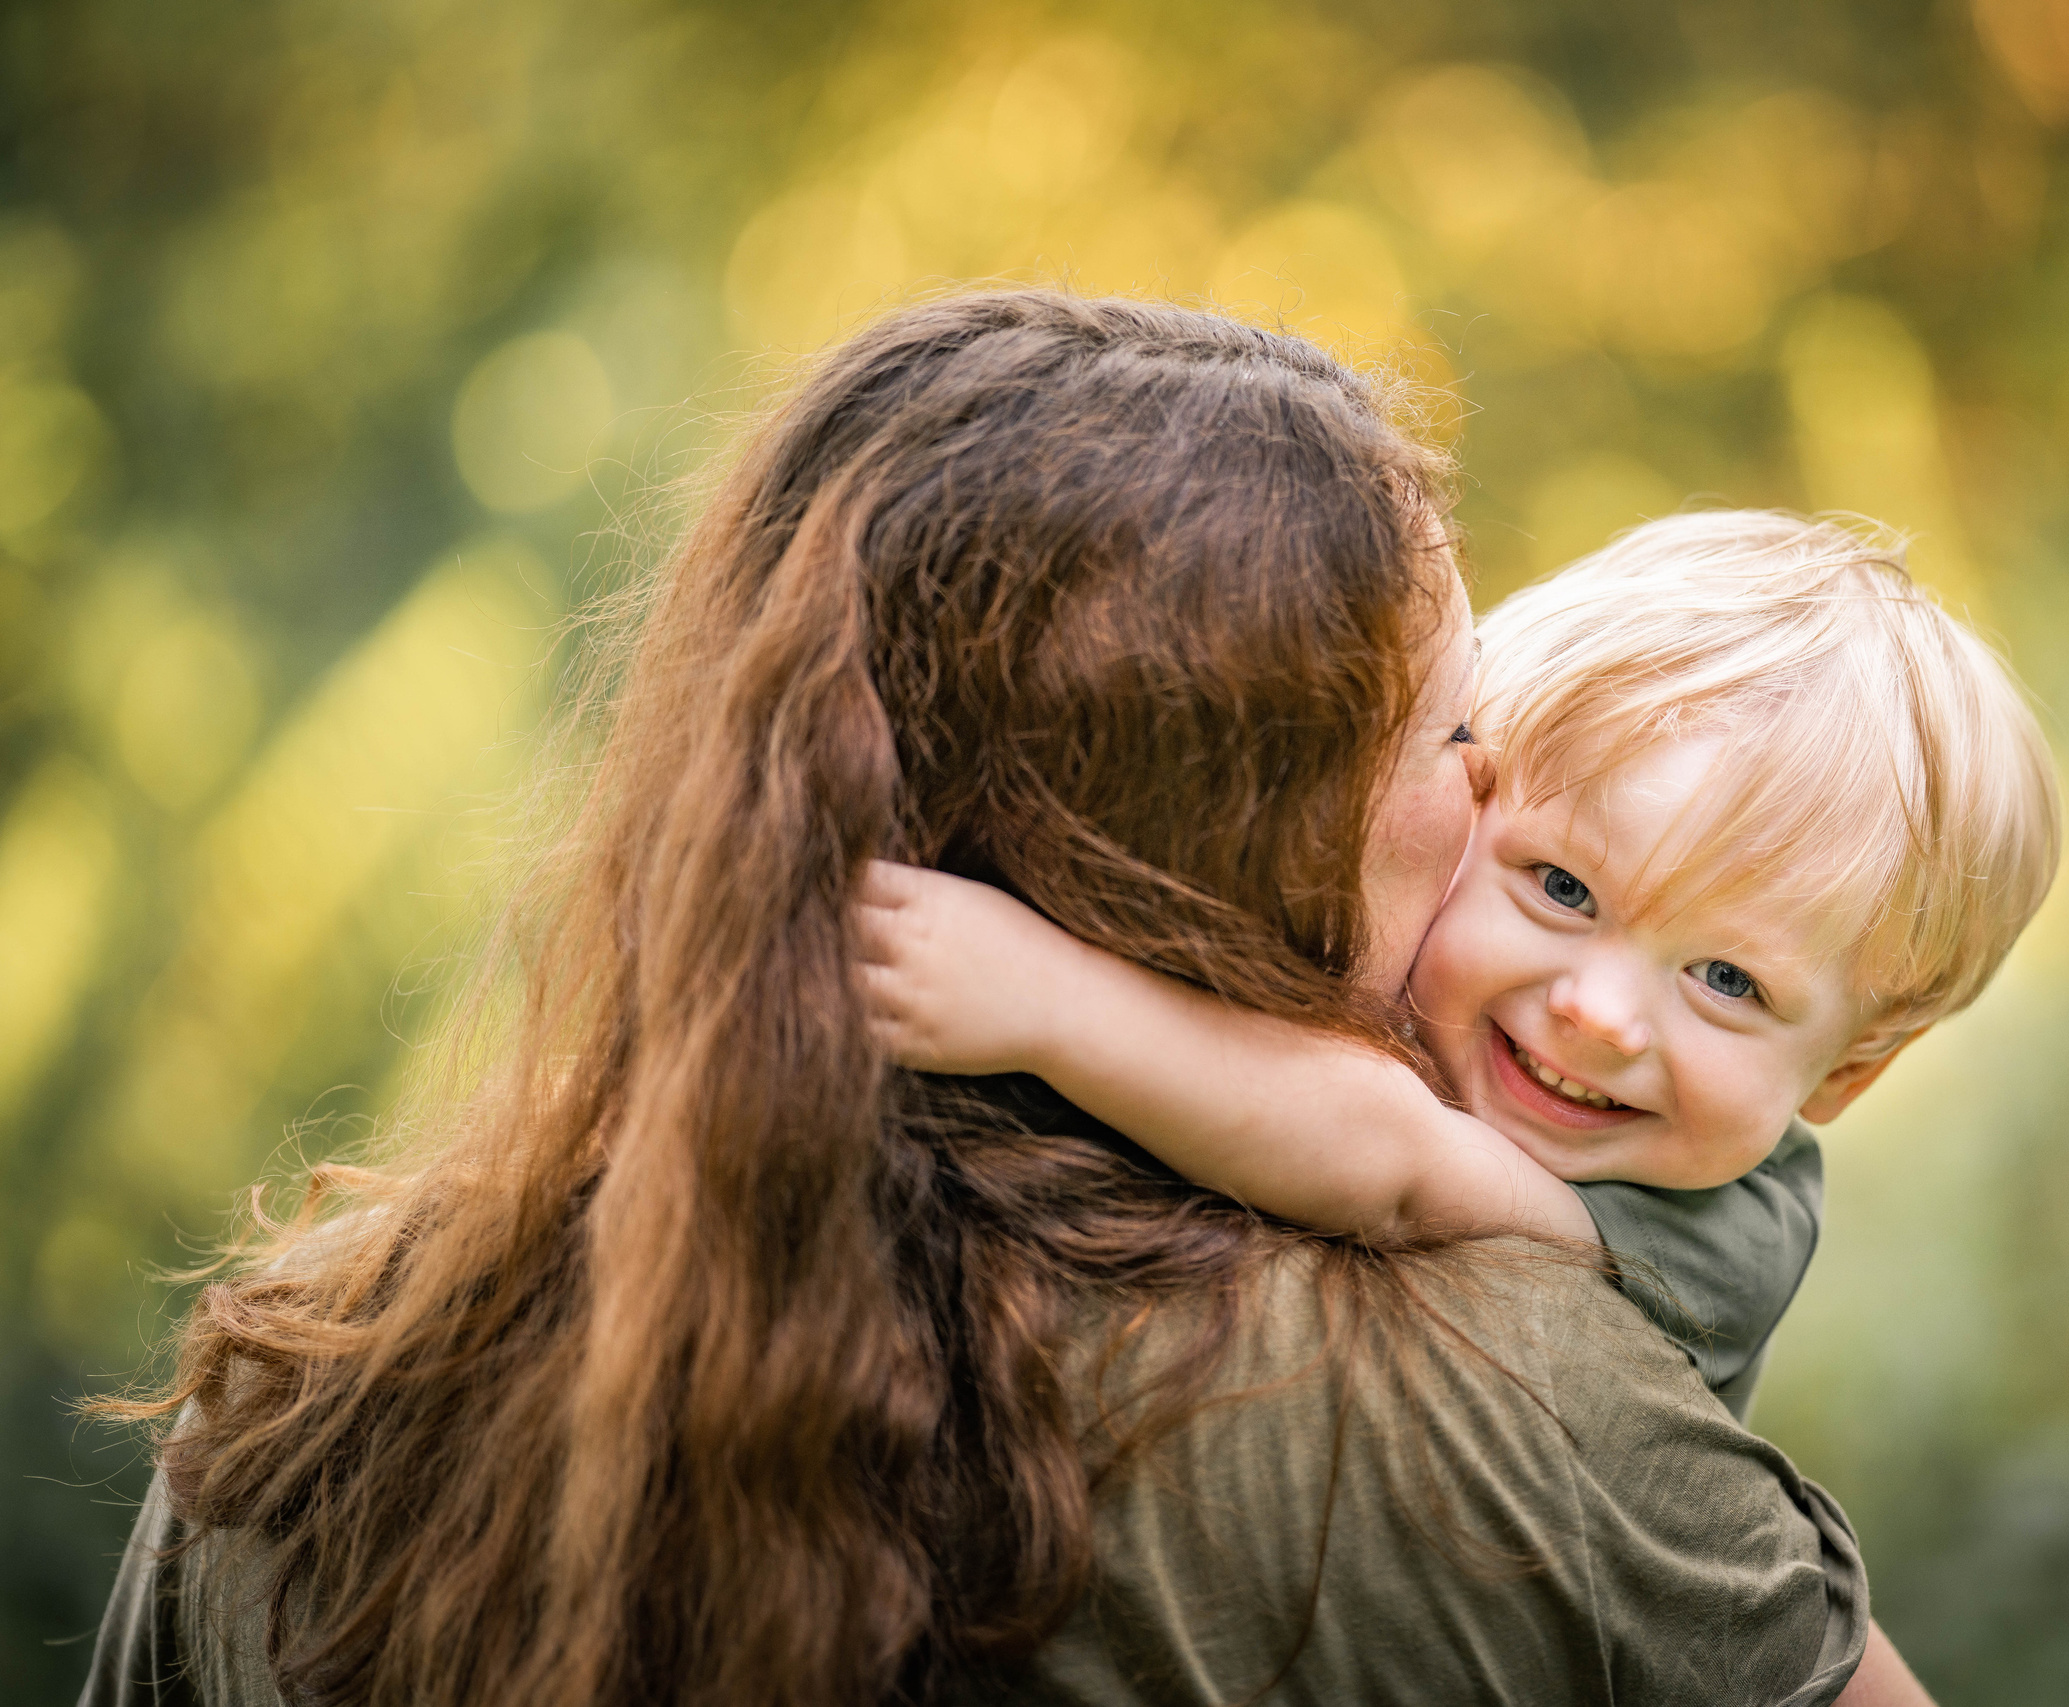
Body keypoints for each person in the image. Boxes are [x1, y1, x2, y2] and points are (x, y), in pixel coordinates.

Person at [82, 290, 1919, 1706]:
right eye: (1453, 730)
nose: (1498, 792)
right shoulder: (1497, 1405)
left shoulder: (309, 1397)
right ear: (1229, 828)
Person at [861, 510, 2061, 1419]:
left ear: (1848, 1074)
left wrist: (1047, 1004)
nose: (1596, 1014)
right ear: (1468, 804)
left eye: (1727, 982)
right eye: (1563, 888)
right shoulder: (1413, 965)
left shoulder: (1726, 1232)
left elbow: (1388, 1162)